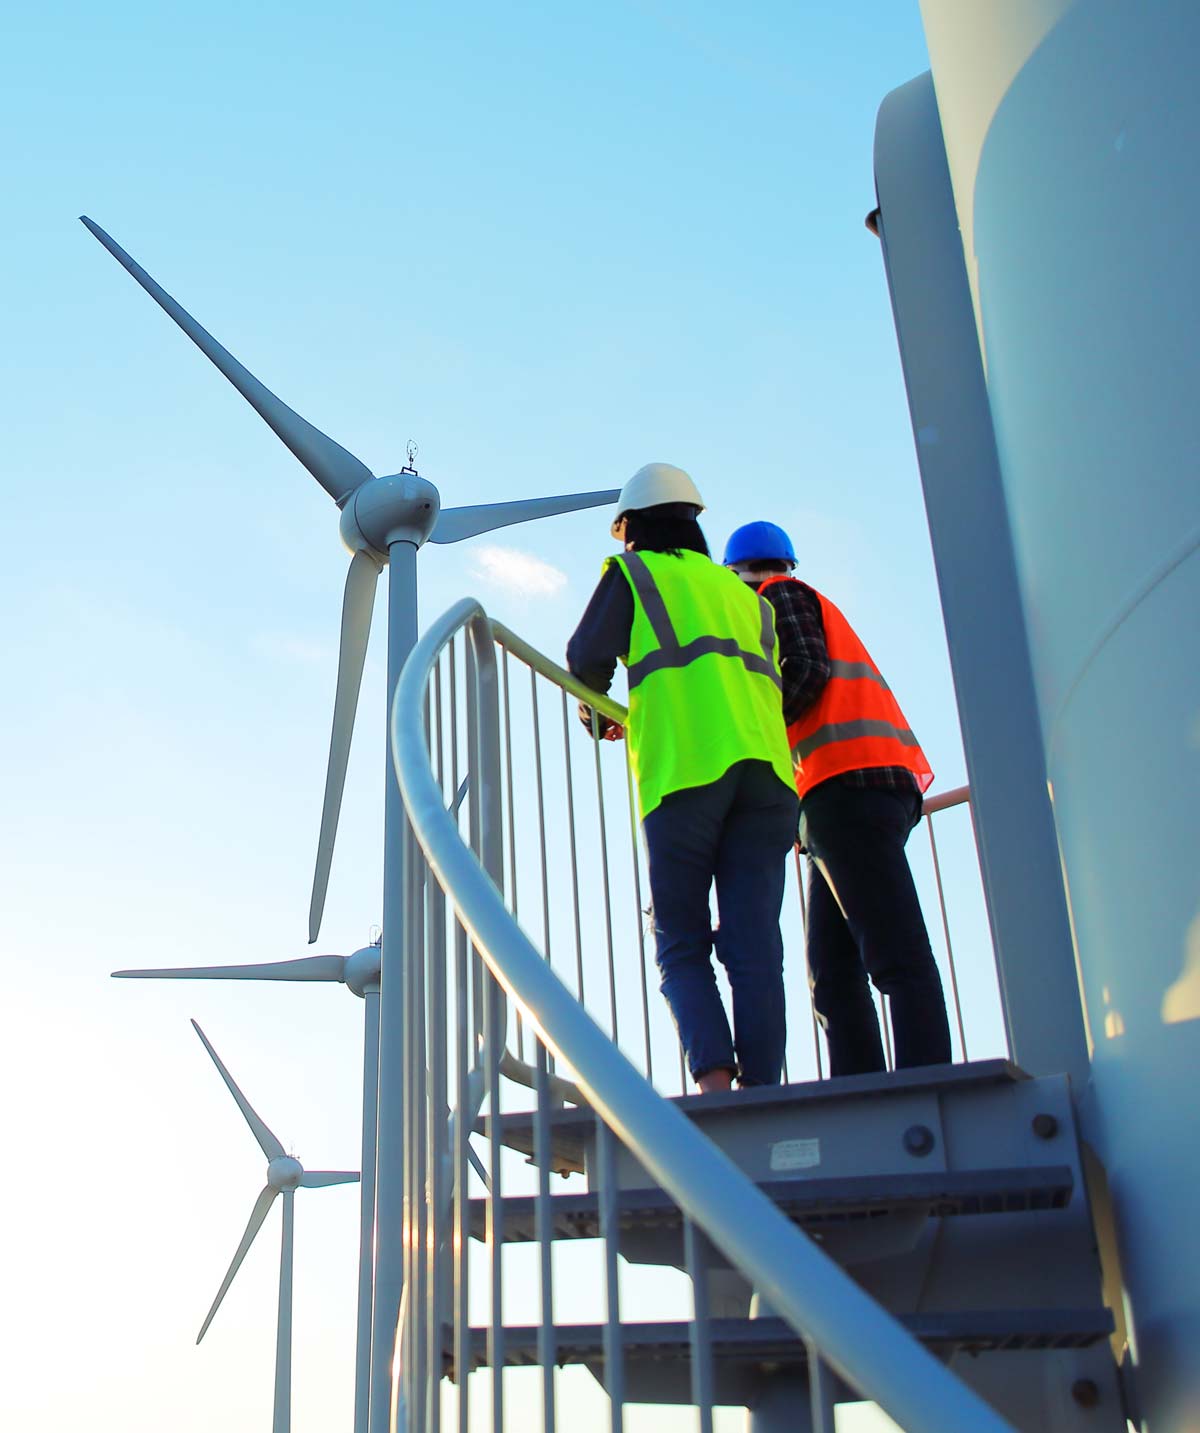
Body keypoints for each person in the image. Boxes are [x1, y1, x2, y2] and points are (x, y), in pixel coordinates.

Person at [566, 465, 799, 1093]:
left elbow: (585, 658)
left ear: (632, 527)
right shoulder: (745, 598)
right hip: (770, 778)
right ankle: (763, 1092)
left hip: (685, 772)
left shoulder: (635, 573)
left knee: (681, 940)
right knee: (756, 947)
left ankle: (717, 1085)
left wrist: (597, 715)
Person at [723, 519, 952, 1077]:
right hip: (848, 794)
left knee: (892, 955)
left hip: (847, 787)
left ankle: (925, 1083)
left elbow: (804, 672)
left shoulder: (778, 597)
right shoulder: (800, 597)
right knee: (832, 970)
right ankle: (863, 1088)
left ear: (737, 574)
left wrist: (750, 738)